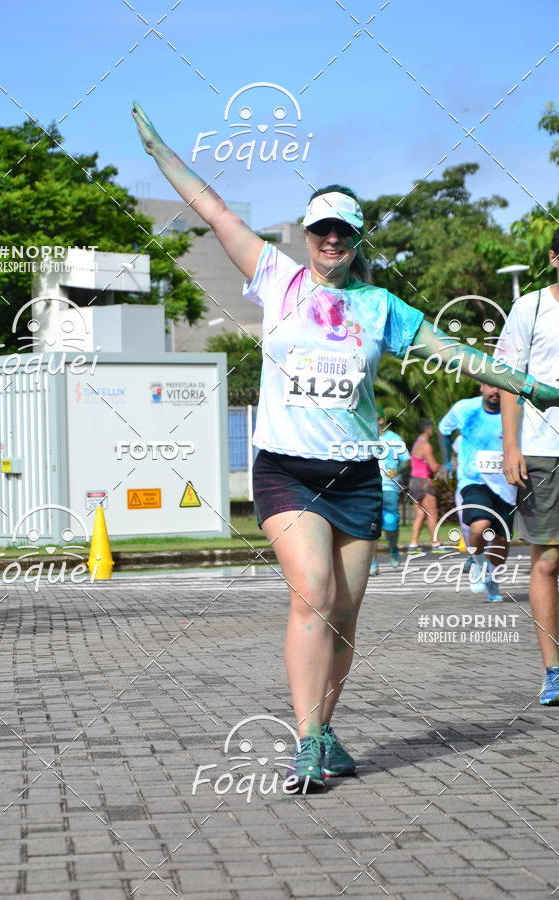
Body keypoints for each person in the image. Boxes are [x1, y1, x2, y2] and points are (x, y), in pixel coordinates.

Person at [132, 101, 559, 789]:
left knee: (344, 619)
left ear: (357, 239)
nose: (331, 240)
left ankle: (325, 724)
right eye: (321, 229)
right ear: (307, 235)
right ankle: (304, 742)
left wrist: (528, 384)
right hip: (286, 472)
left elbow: (452, 351)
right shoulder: (277, 277)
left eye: (342, 231)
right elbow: (215, 211)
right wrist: (161, 154)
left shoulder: (381, 308)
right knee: (314, 593)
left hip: (357, 476)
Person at [495, 229, 559, 704]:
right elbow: (509, 382)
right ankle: (553, 670)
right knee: (549, 559)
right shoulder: (531, 308)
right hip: (541, 449)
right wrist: (511, 446)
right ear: (555, 258)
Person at [438, 385, 516, 602]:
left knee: (501, 538)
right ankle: (478, 563)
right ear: (482, 386)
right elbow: (444, 430)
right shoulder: (464, 409)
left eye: (501, 388)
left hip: (506, 483)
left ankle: (493, 580)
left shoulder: (516, 411)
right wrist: (446, 461)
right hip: (473, 480)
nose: (495, 391)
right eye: (491, 385)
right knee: (480, 525)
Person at [370, 407, 410, 575]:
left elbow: (406, 461)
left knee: (391, 524)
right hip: (370, 488)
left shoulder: (395, 439)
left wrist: (398, 470)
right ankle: (373, 563)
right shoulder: (363, 438)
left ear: (380, 420)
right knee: (371, 526)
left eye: (374, 418)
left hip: (389, 487)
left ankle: (393, 548)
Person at [406, 419, 449, 554]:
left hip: (413, 481)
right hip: (424, 482)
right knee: (432, 513)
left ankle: (413, 544)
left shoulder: (416, 444)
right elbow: (433, 466)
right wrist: (447, 466)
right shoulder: (426, 445)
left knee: (420, 514)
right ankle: (436, 543)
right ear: (428, 429)